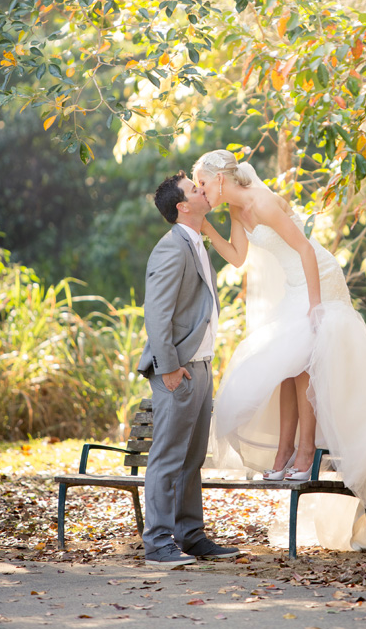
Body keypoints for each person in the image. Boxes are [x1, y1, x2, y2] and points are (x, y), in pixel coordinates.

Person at [194, 150, 366, 554]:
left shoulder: (263, 202)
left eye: (201, 183)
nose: (199, 191)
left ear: (219, 179)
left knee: (303, 357)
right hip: (294, 285)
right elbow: (237, 258)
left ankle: (305, 453)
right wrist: (205, 229)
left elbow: (304, 250)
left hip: (317, 278)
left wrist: (316, 309)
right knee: (282, 364)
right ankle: (285, 453)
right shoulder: (235, 212)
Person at [137, 171, 240, 567]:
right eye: (194, 189)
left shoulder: (196, 241)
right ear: (182, 206)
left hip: (200, 367)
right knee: (167, 458)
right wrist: (169, 368)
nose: (202, 190)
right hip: (176, 370)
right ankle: (158, 544)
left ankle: (190, 535)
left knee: (192, 458)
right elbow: (157, 314)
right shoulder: (171, 248)